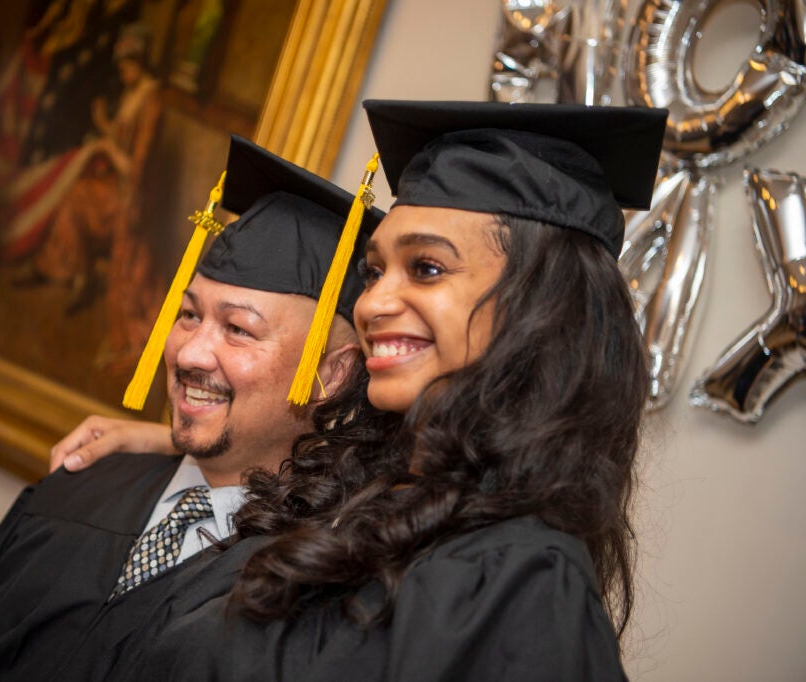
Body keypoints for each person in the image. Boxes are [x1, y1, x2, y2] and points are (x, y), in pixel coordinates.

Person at [50, 99, 667, 680]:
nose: (372, 302)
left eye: (425, 268)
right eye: (373, 271)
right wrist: (167, 443)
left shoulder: (522, 578)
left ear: (540, 311)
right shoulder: (382, 501)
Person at [0, 134, 384, 681]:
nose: (190, 352)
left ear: (330, 374)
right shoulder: (81, 483)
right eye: (190, 315)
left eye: (239, 329)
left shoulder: (315, 588)